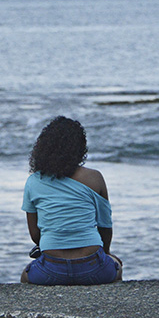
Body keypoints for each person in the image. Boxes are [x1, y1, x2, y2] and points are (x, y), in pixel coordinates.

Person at [21, 116, 122, 285]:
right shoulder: (94, 178)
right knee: (117, 267)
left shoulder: (33, 181)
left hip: (52, 269)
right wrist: (106, 253)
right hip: (92, 266)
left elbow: (35, 234)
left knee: (26, 276)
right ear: (80, 149)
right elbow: (105, 226)